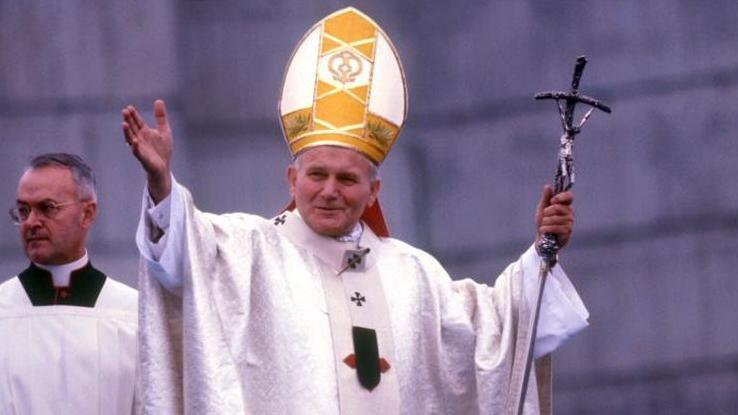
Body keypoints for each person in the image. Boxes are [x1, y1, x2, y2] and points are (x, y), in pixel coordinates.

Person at [123, 7, 588, 415]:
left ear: (373, 191)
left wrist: (543, 252)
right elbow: (182, 254)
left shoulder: (416, 276)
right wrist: (161, 181)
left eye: (347, 180)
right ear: (292, 180)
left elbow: (497, 329)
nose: (329, 191)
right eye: (316, 175)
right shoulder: (248, 254)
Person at [0, 153, 138, 415]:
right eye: (23, 210)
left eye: (47, 208)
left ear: (87, 213)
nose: (31, 222)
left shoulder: (132, 314)